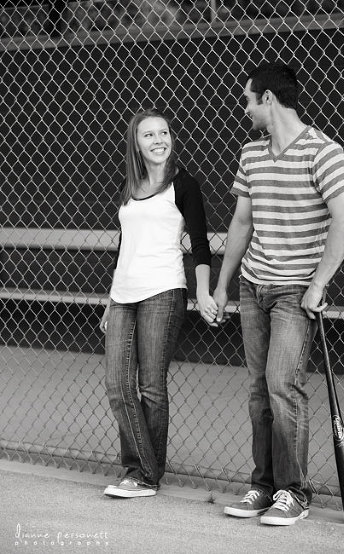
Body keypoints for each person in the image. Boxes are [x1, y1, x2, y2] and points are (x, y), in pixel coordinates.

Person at [214, 62, 344, 526]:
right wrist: (221, 284)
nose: (246, 109)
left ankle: (293, 492)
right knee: (259, 391)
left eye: (249, 101)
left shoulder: (324, 152)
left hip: (296, 291)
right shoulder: (251, 154)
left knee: (282, 386)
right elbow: (241, 222)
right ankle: (263, 486)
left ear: (269, 99)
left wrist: (318, 284)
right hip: (254, 286)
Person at [101, 108, 217, 498]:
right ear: (136, 142)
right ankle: (144, 470)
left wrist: (202, 291)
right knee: (118, 386)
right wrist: (109, 300)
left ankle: (141, 474)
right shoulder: (130, 186)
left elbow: (200, 245)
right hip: (123, 296)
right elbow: (124, 248)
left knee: (150, 387)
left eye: (163, 133)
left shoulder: (183, 185)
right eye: (148, 135)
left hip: (163, 292)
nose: (158, 140)